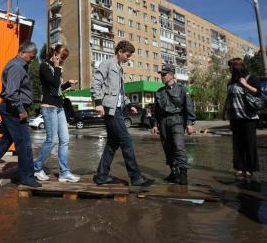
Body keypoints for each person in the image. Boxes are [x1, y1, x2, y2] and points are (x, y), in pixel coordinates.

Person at [0, 41, 42, 187]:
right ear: (22, 53)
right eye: (31, 56)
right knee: (24, 144)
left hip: (11, 108)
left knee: (6, 140)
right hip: (14, 109)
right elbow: (11, 93)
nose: (32, 59)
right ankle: (27, 177)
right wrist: (21, 110)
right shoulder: (17, 67)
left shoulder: (17, 65)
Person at [91, 40, 154, 187]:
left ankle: (101, 175)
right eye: (127, 55)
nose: (128, 58)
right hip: (110, 110)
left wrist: (130, 104)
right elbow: (96, 83)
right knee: (127, 141)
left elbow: (119, 93)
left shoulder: (119, 68)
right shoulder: (107, 64)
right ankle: (136, 177)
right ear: (120, 51)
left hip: (118, 109)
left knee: (112, 143)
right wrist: (98, 103)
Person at [34, 45, 80, 183]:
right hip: (49, 108)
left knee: (65, 139)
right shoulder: (45, 66)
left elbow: (57, 89)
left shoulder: (55, 67)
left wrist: (67, 84)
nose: (62, 60)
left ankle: (64, 172)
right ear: (54, 53)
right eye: (61, 56)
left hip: (59, 107)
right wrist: (57, 66)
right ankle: (36, 168)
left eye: (64, 58)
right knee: (52, 140)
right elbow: (53, 84)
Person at [151, 63, 195, 185]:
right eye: (161, 75)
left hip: (177, 120)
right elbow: (156, 111)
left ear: (171, 75)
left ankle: (183, 175)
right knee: (167, 148)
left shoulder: (182, 89)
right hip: (163, 122)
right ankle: (173, 173)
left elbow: (188, 106)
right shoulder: (159, 92)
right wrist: (155, 125)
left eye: (164, 75)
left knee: (179, 147)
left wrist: (190, 123)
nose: (162, 77)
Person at [224, 57, 260, 180]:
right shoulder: (230, 82)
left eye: (230, 67)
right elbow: (228, 99)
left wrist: (245, 85)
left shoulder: (250, 78)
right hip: (235, 117)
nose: (229, 69)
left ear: (236, 67)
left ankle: (249, 168)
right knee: (237, 144)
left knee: (249, 143)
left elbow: (258, 92)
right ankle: (240, 167)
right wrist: (226, 114)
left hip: (249, 117)